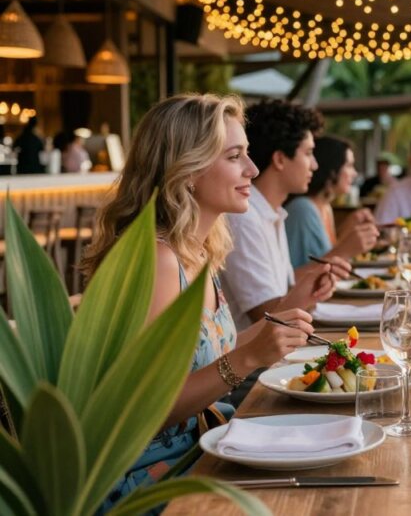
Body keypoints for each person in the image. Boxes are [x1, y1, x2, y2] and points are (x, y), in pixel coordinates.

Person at [81, 94, 333, 507]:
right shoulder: (158, 260)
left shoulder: (197, 251)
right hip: (155, 478)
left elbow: (205, 353)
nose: (253, 169)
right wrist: (250, 358)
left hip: (208, 447)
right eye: (236, 156)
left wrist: (273, 327)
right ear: (188, 168)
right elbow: (147, 407)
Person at [221, 99, 352, 328]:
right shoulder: (245, 217)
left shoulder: (272, 211)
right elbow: (268, 318)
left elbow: (285, 295)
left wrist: (315, 282)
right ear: (280, 159)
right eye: (308, 153)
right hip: (263, 362)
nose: (314, 165)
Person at [285, 135, 378, 269]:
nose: (354, 173)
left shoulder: (325, 207)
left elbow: (327, 255)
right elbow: (311, 269)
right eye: (349, 166)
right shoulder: (303, 209)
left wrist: (348, 228)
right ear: (332, 170)